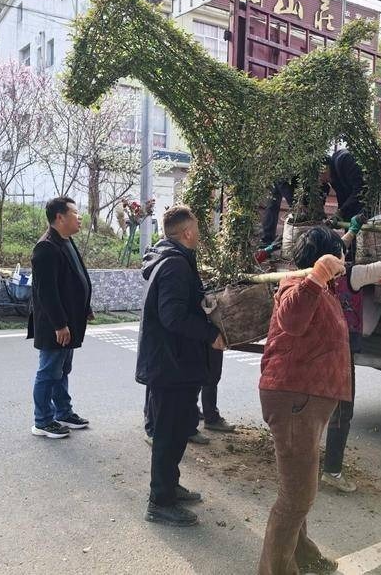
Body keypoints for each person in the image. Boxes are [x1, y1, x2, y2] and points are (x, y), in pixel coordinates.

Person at [258, 222, 381, 574]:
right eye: (339, 256)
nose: (344, 261)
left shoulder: (320, 284)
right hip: (294, 399)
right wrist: (315, 277)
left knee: (299, 488)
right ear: (326, 261)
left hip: (305, 399)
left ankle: (303, 555)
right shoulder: (299, 284)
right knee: (296, 497)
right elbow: (291, 320)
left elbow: (331, 253)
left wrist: (333, 255)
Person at [136, 205, 226, 527]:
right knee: (167, 435)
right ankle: (159, 502)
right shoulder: (174, 264)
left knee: (175, 433)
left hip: (176, 363)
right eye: (197, 227)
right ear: (187, 232)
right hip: (170, 365)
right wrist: (210, 334)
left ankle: (169, 487)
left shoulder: (172, 258)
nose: (199, 232)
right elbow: (172, 315)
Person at [320, 217, 381, 493]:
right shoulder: (351, 274)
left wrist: (351, 232)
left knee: (311, 407)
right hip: (339, 350)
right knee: (342, 410)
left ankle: (305, 463)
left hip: (312, 347)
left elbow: (333, 250)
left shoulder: (309, 271)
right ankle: (332, 471)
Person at [28, 196, 93, 439]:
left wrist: (85, 307)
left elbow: (74, 279)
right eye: (75, 213)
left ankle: (63, 412)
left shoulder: (65, 241)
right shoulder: (46, 247)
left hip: (70, 320)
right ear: (60, 217)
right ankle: (42, 421)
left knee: (62, 369)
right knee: (48, 372)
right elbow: (46, 292)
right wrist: (60, 324)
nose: (80, 217)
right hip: (56, 325)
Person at [320, 147, 366, 225]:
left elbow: (360, 190)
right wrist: (339, 218)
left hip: (368, 204)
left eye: (318, 176)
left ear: (323, 168)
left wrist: (340, 212)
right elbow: (343, 200)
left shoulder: (345, 160)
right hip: (355, 210)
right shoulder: (332, 176)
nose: (320, 180)